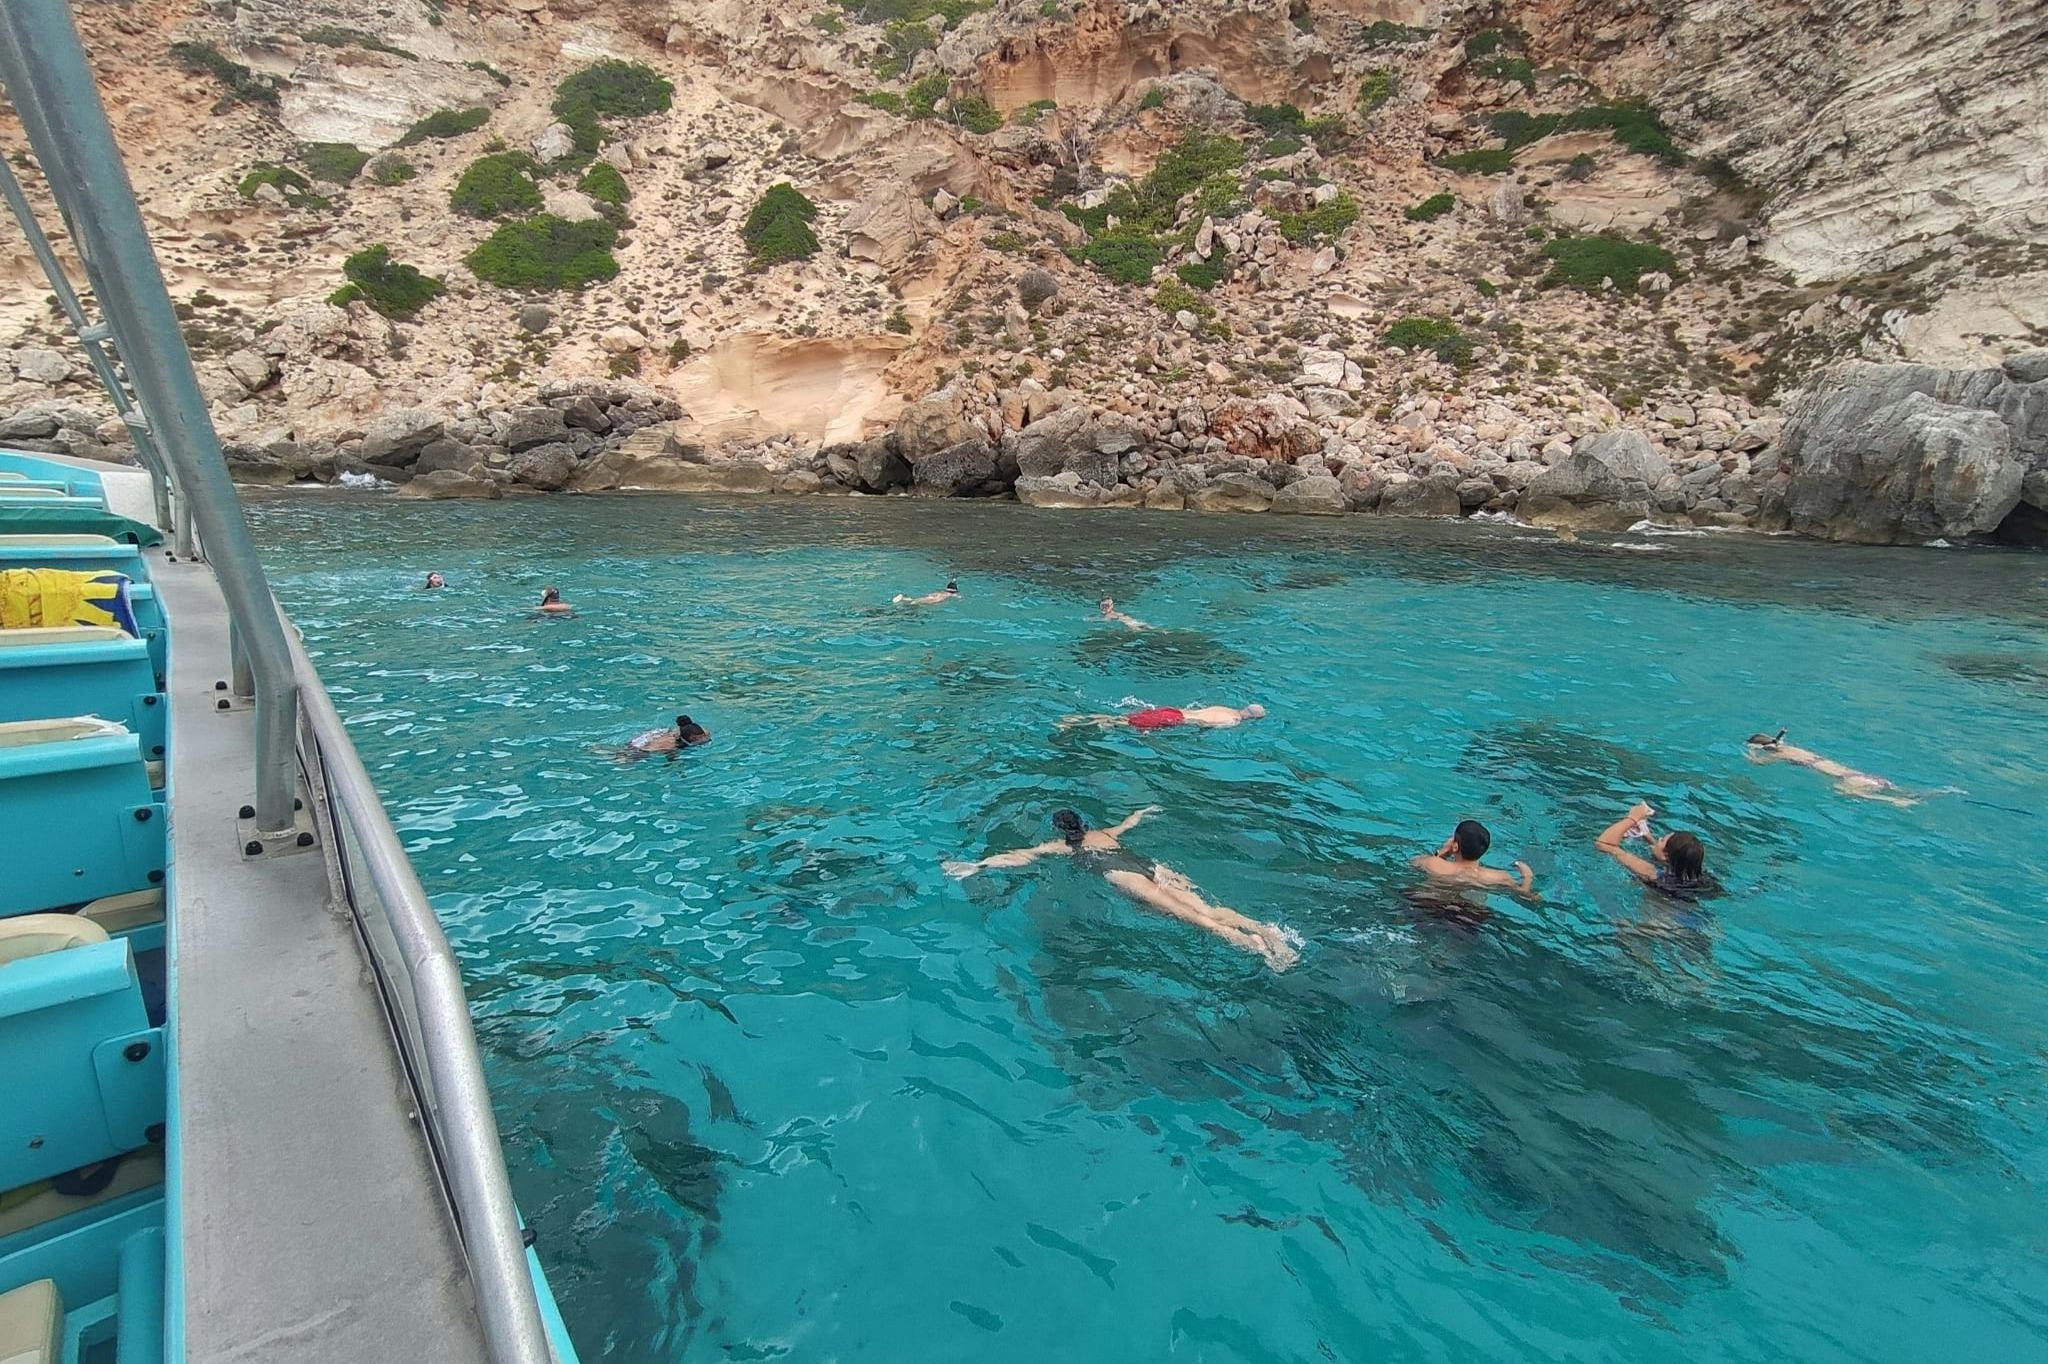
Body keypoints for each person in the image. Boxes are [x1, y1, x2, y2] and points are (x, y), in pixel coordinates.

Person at [944, 807, 1299, 970]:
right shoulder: (1105, 833)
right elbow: (1129, 822)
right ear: (1083, 823)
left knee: (1195, 919)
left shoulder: (1064, 848)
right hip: (1151, 868)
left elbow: (1019, 857)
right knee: (1207, 908)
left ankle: (1258, 949)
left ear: (1060, 831)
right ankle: (1264, 930)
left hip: (1126, 878)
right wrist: (1143, 812)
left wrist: (977, 865)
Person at [1744, 728, 1921, 806]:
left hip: (1847, 780)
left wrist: (1751, 752)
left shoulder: (1780, 754)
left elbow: (1758, 763)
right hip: (1859, 775)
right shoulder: (1793, 749)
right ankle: (1911, 795)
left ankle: (1893, 800)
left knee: (1843, 791)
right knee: (1905, 791)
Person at [1595, 802, 1716, 899]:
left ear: (1666, 855)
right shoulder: (1698, 874)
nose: (1658, 839)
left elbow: (1603, 844)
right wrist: (1648, 837)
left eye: (1662, 840)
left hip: (1663, 920)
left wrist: (1632, 818)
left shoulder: (1651, 872)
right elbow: (1670, 856)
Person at [1409, 819, 1534, 897]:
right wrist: (1528, 877)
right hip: (1469, 918)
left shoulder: (1433, 863)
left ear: (1455, 846)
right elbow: (1525, 895)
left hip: (1430, 907)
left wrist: (1442, 853)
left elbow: (1413, 863)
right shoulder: (1500, 877)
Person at [1058, 702, 1266, 732]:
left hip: (1173, 711)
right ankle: (1076, 723)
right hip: (1175, 720)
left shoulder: (1225, 708)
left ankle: (1078, 719)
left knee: (1121, 717)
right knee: (1120, 722)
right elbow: (1204, 726)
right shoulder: (1232, 721)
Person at [622, 714, 711, 760]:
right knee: (623, 761)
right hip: (639, 747)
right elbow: (645, 750)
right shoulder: (669, 744)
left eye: (702, 736)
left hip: (662, 734)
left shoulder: (703, 732)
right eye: (695, 739)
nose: (702, 739)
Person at [894, 579, 959, 606]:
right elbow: (958, 597)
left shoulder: (941, 592)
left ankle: (903, 598)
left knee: (915, 600)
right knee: (915, 603)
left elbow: (932, 594)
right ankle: (903, 599)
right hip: (935, 600)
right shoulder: (951, 594)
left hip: (931, 597)